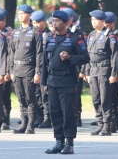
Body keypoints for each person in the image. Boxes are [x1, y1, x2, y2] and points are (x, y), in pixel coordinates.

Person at [42, 10, 89, 154]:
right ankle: (58, 141)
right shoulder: (50, 38)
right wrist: (44, 82)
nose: (54, 23)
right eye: (53, 20)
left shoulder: (75, 38)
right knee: (55, 112)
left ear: (66, 23)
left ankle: (69, 143)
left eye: (57, 21)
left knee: (68, 112)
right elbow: (45, 62)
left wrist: (70, 57)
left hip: (67, 80)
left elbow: (85, 57)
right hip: (52, 80)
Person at [83, 10, 118, 136]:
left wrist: (114, 74)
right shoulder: (91, 35)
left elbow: (114, 56)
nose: (93, 22)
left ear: (103, 21)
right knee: (96, 98)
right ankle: (100, 123)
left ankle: (107, 125)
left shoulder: (109, 35)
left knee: (105, 99)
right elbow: (87, 55)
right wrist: (86, 71)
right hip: (93, 70)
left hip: (104, 70)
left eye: (96, 20)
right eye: (92, 20)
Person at [9, 4, 42, 134]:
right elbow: (11, 52)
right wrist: (11, 70)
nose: (21, 15)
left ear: (29, 15)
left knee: (30, 98)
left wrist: (38, 72)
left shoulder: (35, 32)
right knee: (21, 98)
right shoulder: (15, 32)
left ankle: (30, 124)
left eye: (23, 13)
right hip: (17, 69)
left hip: (29, 68)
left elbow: (40, 53)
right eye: (19, 13)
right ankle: (23, 122)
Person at [61, 8, 86, 127]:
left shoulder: (78, 33)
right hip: (63, 69)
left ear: (71, 19)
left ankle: (77, 117)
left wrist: (82, 71)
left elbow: (84, 54)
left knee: (75, 94)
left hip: (75, 68)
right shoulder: (62, 32)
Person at [30, 10, 53, 129]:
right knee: (36, 94)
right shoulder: (31, 34)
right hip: (32, 67)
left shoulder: (49, 35)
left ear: (44, 22)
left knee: (45, 94)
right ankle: (38, 117)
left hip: (46, 68)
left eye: (38, 22)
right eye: (34, 22)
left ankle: (47, 118)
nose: (36, 25)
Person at [0, 8, 13, 130]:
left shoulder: (10, 33)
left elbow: (10, 53)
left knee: (5, 95)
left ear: (4, 20)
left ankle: (5, 119)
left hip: (5, 68)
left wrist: (8, 71)